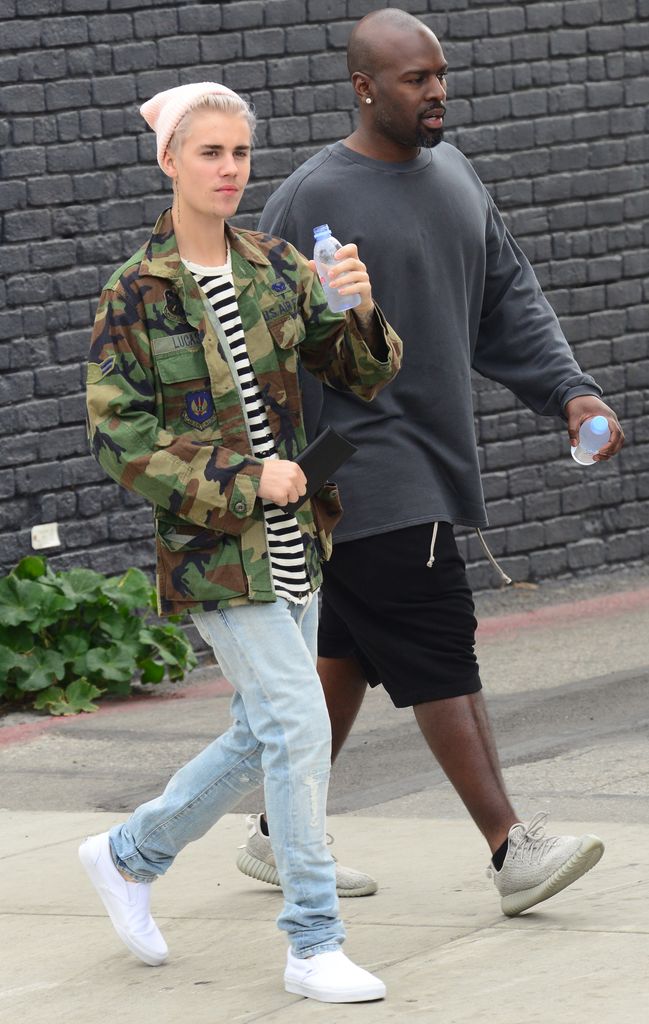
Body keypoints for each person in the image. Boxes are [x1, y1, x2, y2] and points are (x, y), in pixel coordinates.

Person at [236, 8, 625, 918]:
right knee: (437, 637)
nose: (437, 91)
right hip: (357, 463)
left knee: (348, 654)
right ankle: (510, 848)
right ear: (365, 87)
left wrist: (570, 393)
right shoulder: (308, 198)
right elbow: (256, 337)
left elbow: (508, 299)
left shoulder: (454, 176)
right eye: (415, 79)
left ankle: (270, 829)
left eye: (440, 74)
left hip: (427, 454)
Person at [80, 81, 402, 1004]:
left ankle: (128, 854)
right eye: (209, 153)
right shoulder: (133, 294)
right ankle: (311, 941)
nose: (228, 170)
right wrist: (239, 479)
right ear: (170, 162)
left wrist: (356, 307)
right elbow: (120, 437)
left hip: (298, 538)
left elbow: (364, 373)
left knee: (264, 733)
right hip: (216, 551)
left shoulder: (273, 266)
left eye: (239, 154)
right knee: (299, 723)